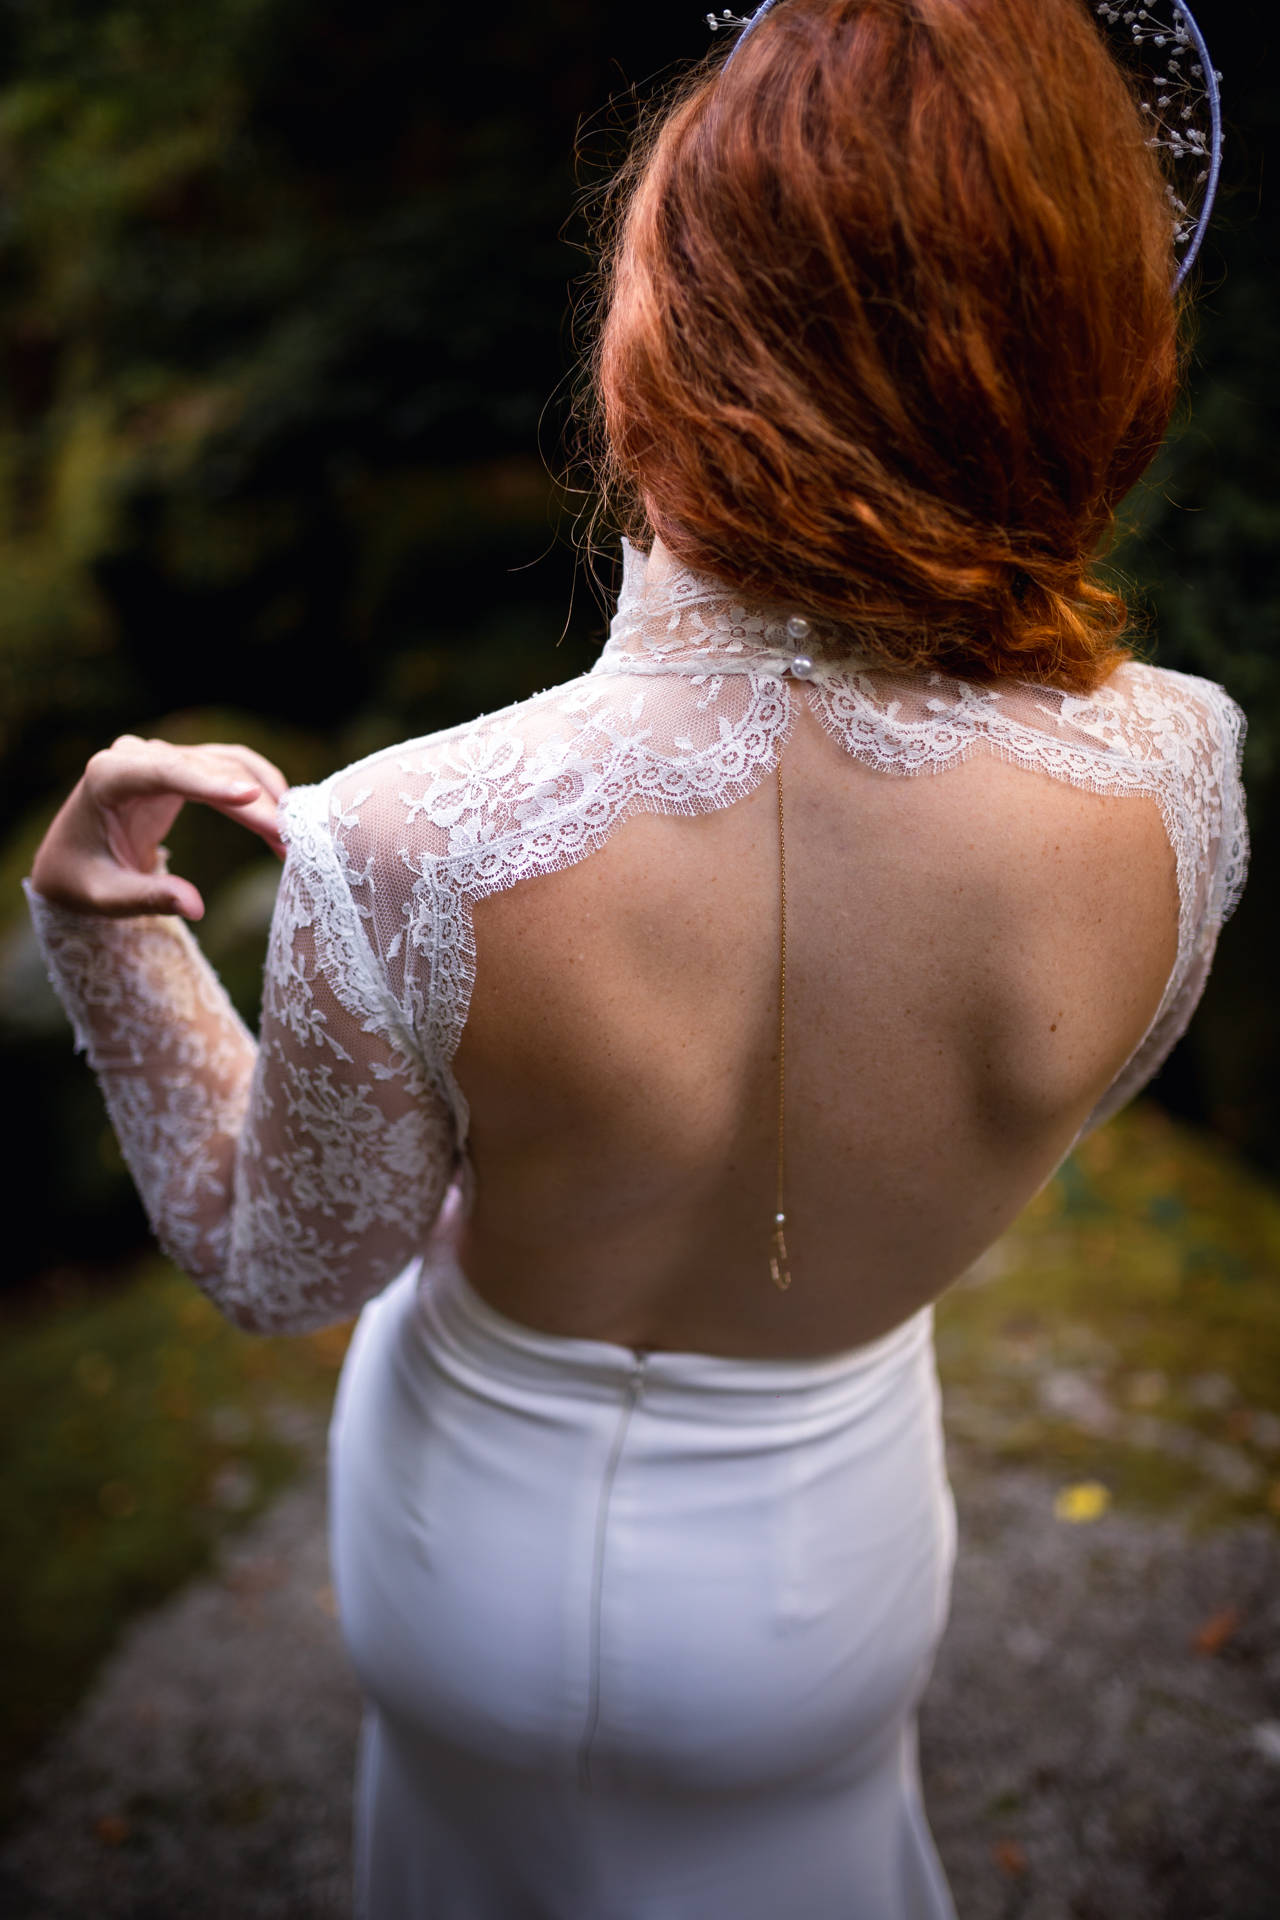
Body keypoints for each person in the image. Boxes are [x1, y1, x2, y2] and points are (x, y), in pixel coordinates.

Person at [25, 2, 1245, 1915]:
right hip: (838, 1557)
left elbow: (277, 1264)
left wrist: (98, 940)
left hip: (481, 1557)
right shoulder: (1182, 776)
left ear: (677, 329)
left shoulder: (416, 837)